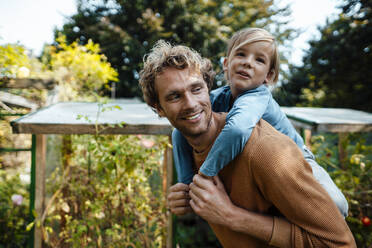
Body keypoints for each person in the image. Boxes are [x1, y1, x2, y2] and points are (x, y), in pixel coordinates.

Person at [139, 40, 356, 247]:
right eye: (175, 96)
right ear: (158, 108)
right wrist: (187, 198)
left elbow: (339, 243)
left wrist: (232, 216)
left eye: (196, 89)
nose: (191, 104)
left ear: (208, 87)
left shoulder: (266, 152)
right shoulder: (189, 147)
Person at [171, 27, 348, 217]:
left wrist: (204, 175)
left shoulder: (258, 96)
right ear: (226, 63)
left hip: (296, 160)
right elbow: (179, 132)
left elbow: (237, 130)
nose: (248, 63)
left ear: (268, 76)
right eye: (241, 54)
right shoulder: (215, 98)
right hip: (262, 172)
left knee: (337, 207)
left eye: (259, 60)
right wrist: (187, 186)